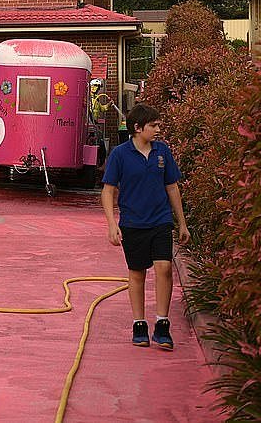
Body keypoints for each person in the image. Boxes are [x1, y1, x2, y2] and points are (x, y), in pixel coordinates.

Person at [101, 104, 190, 350]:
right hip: (132, 223)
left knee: (164, 268)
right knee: (137, 273)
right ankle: (139, 324)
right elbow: (108, 191)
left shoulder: (162, 151)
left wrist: (181, 222)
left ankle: (162, 325)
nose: (158, 129)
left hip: (160, 220)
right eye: (154, 125)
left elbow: (172, 187)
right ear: (138, 128)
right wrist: (111, 224)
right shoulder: (120, 154)